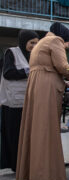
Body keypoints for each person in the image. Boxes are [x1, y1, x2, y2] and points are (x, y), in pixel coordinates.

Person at [16, 22, 69, 180]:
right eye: (68, 42)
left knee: (38, 130)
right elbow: (62, 66)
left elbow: (48, 67)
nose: (67, 46)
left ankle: (39, 174)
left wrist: (63, 80)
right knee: (47, 131)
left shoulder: (41, 42)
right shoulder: (56, 41)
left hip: (37, 85)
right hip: (47, 88)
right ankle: (47, 178)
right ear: (64, 38)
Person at [0, 30, 39, 172]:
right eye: (31, 42)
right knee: (14, 135)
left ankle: (25, 163)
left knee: (26, 135)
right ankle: (16, 165)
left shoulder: (33, 56)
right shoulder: (12, 52)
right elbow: (8, 73)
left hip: (27, 101)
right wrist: (29, 71)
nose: (34, 46)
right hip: (13, 103)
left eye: (36, 42)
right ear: (24, 41)